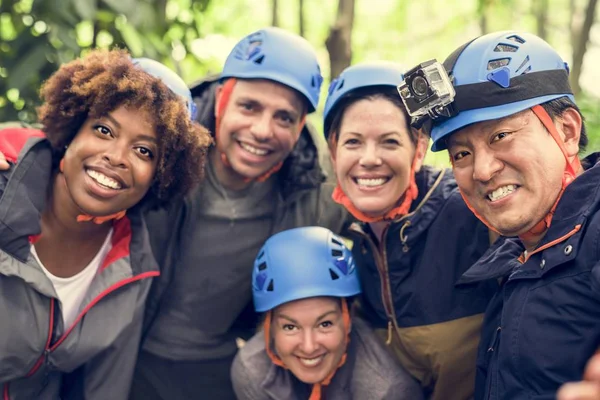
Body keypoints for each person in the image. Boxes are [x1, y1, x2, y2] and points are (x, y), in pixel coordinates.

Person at [129, 27, 348, 399]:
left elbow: (384, 207)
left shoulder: (316, 187)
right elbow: (76, 144)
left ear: (299, 128)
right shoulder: (164, 142)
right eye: (249, 107)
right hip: (122, 350)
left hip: (222, 365)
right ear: (221, 99)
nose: (262, 130)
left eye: (283, 118)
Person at [0, 49, 211, 399]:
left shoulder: (135, 267)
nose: (116, 156)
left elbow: (106, 388)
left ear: (160, 178)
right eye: (103, 129)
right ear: (72, 130)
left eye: (144, 151)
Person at [405, 30, 600, 399]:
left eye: (500, 136)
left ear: (568, 130)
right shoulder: (516, 261)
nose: (481, 170)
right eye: (461, 154)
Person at [322, 61, 498, 399]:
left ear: (417, 149)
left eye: (389, 142)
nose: (369, 158)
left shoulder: (473, 209)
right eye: (353, 142)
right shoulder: (350, 242)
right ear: (333, 150)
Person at [231, 226, 424, 400]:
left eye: (325, 324)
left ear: (348, 318)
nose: (309, 347)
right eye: (290, 327)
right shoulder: (252, 370)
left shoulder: (385, 391)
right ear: (270, 327)